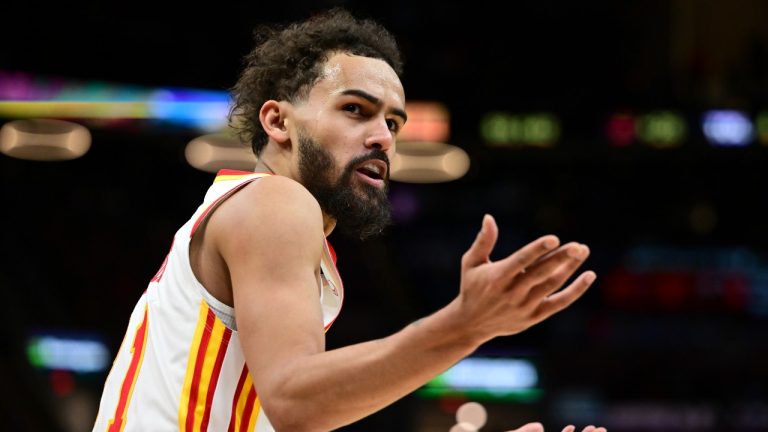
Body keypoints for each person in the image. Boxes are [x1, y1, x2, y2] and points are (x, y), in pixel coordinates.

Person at [92, 8, 604, 432]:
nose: (384, 137)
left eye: (393, 122)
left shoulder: (262, 220)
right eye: (356, 109)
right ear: (277, 122)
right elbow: (298, 403)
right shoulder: (274, 203)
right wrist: (465, 325)